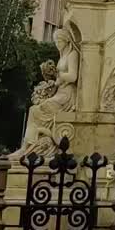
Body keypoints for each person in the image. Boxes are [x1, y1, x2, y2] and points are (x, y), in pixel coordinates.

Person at [13, 24, 79, 159]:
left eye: (59, 41)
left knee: (36, 110)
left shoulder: (72, 54)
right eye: (56, 42)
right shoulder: (63, 55)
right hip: (60, 90)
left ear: (66, 40)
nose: (57, 44)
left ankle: (28, 146)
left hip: (67, 95)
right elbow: (62, 78)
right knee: (33, 109)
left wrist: (60, 76)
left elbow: (73, 76)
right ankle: (27, 146)